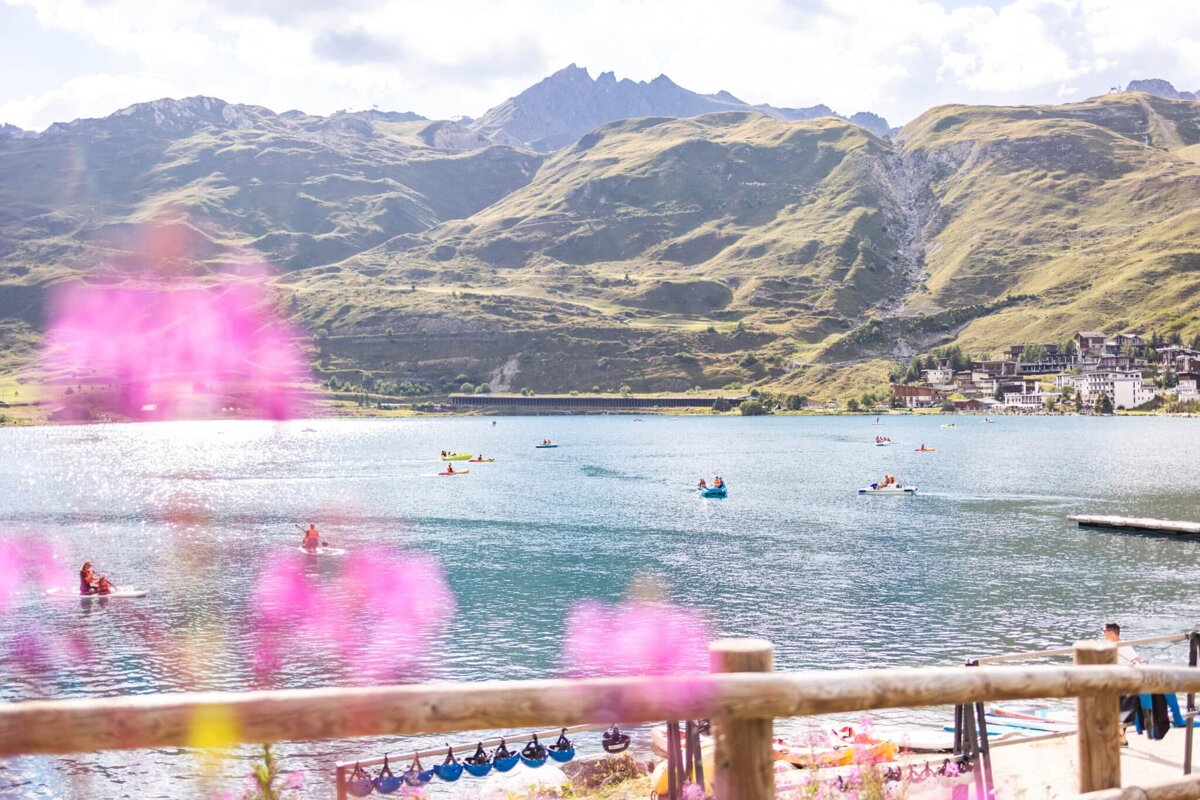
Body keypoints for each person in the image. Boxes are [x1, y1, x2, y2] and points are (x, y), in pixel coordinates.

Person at [1105, 622, 1186, 737]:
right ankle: (1123, 734)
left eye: (1104, 631)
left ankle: (1174, 719)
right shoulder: (1109, 647)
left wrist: (1138, 664)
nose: (1103, 634)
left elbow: (1137, 660)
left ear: (1111, 633)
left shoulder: (1123, 646)